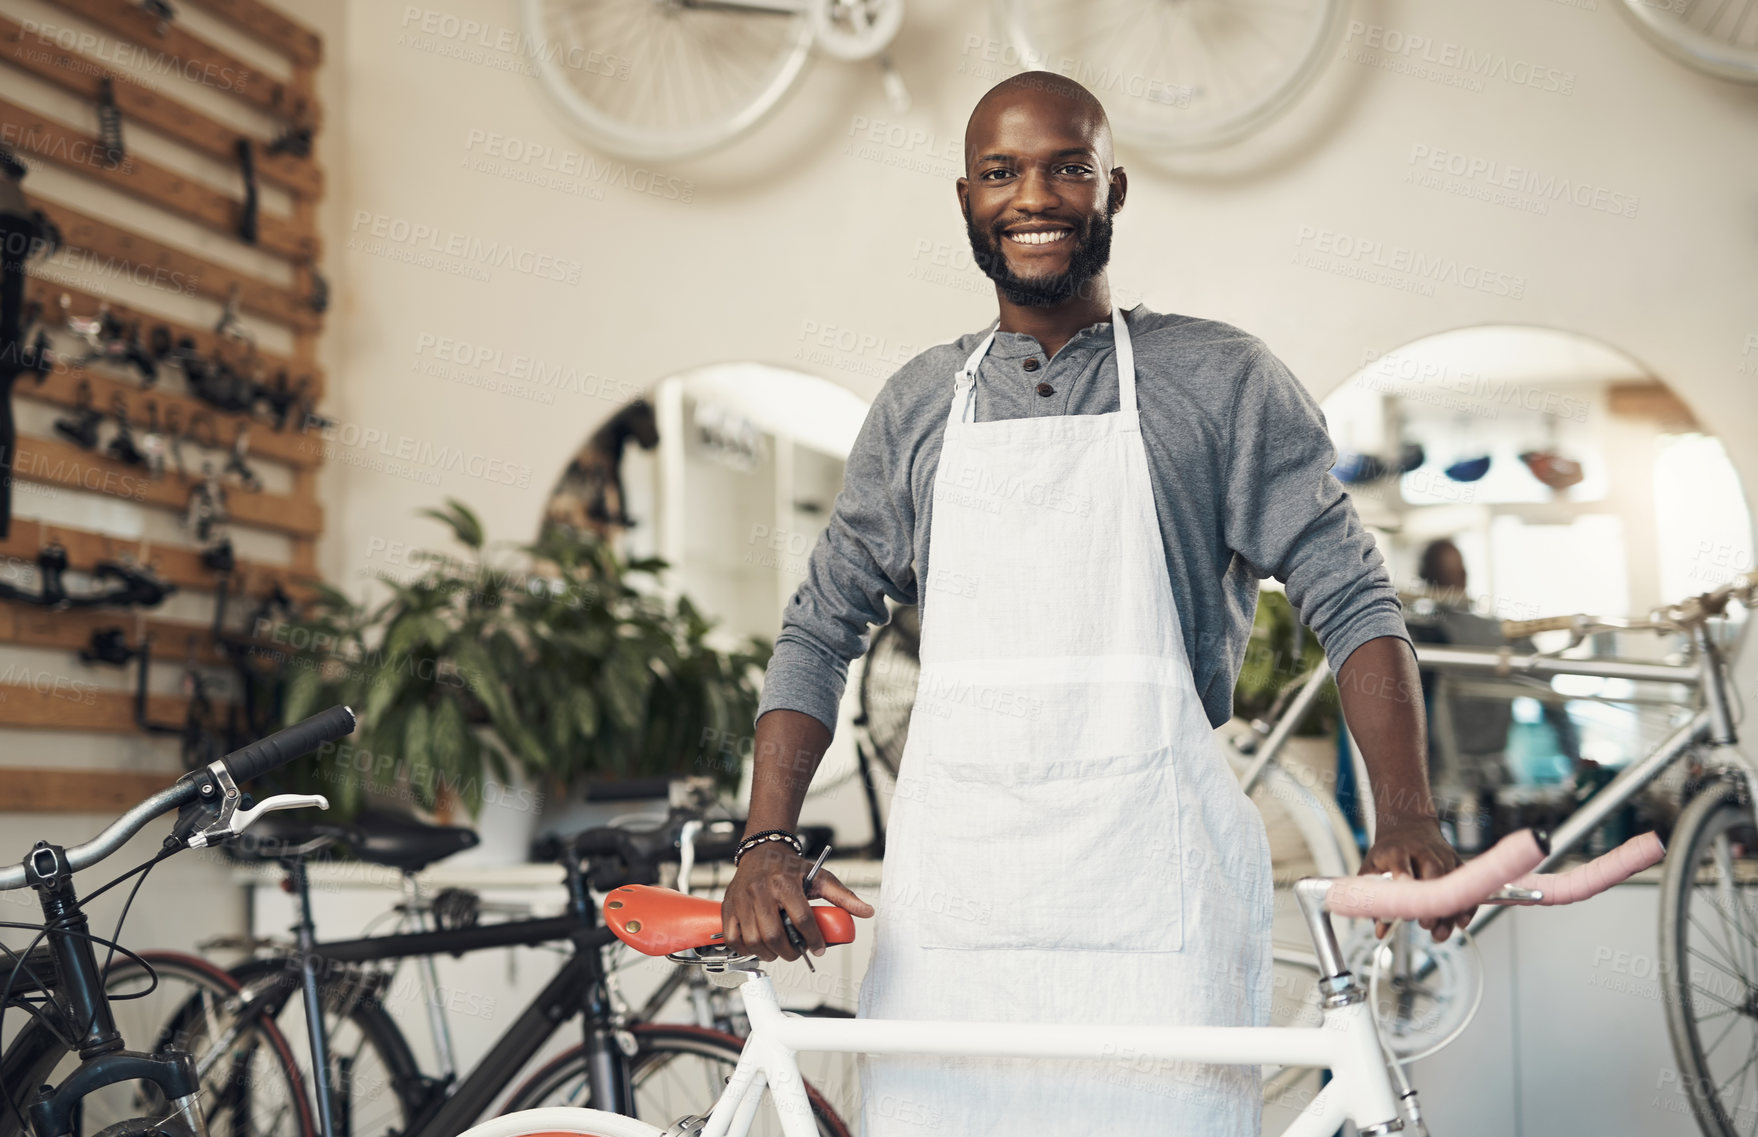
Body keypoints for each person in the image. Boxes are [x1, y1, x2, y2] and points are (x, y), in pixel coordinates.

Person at [721, 72, 1473, 1135]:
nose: (1036, 195)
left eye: (1067, 166)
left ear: (1111, 188)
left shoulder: (1222, 383)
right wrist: (765, 842)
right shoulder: (918, 407)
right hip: (960, 927)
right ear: (966, 199)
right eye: (1002, 171)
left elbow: (1351, 598)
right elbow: (819, 626)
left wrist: (1405, 813)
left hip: (1154, 914)